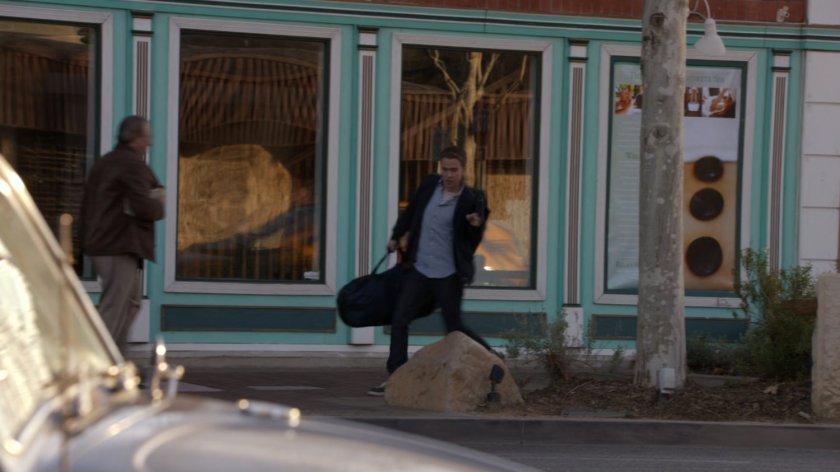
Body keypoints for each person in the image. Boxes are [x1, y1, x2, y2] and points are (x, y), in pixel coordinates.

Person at [368, 146, 493, 396]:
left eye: (453, 170)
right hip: (420, 269)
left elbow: (471, 241)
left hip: (448, 273)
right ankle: (397, 377)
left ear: (463, 170)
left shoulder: (472, 198)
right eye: (444, 169)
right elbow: (411, 212)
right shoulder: (429, 187)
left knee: (455, 327)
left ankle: (493, 360)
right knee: (400, 319)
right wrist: (395, 236)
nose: (448, 174)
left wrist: (475, 226)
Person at [81, 115, 164, 354]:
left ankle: (117, 362)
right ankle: (97, 364)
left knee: (130, 302)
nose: (150, 144)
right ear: (137, 139)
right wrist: (159, 202)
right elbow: (144, 206)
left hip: (103, 243)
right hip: (119, 245)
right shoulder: (131, 165)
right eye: (147, 138)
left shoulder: (105, 162)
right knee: (116, 306)